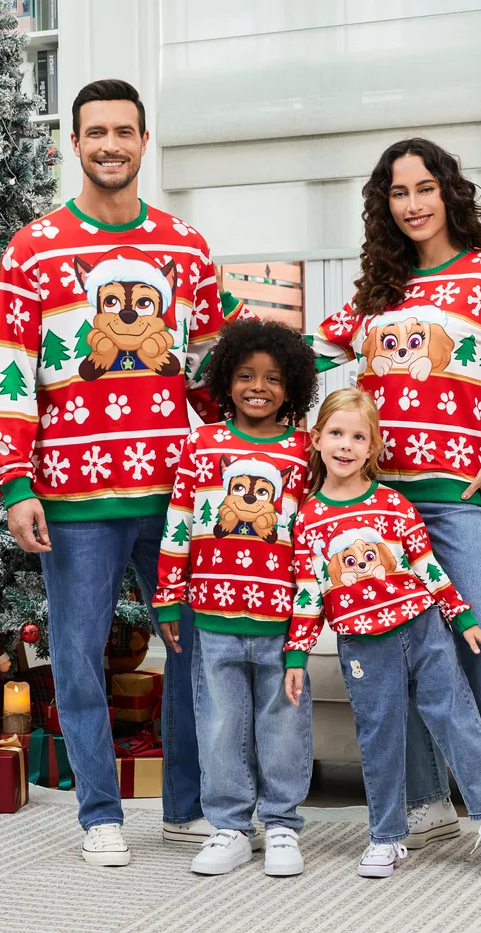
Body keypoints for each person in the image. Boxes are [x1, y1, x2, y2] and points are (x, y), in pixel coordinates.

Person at [0, 79, 249, 866]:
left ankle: (186, 807)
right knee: (76, 652)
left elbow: (218, 366)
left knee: (198, 649)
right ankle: (99, 811)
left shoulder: (185, 245)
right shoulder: (32, 248)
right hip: (71, 494)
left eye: (124, 131)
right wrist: (14, 480)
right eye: (95, 131)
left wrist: (259, 429)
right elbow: (10, 369)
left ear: (144, 141)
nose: (110, 144)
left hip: (176, 490)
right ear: (75, 143)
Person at [306, 139, 481, 857]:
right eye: (398, 192)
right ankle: (426, 804)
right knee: (395, 650)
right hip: (380, 505)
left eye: (425, 188)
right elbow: (306, 356)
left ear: (449, 192)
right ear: (383, 204)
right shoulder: (376, 291)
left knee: (479, 647)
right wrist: (228, 342)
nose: (413, 204)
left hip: (454, 500)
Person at [284, 388, 481, 880]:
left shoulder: (394, 503)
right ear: (316, 440)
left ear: (374, 448)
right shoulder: (307, 519)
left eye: (359, 436)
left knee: (456, 718)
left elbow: (429, 568)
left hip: (423, 630)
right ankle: (385, 837)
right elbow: (309, 593)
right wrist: (297, 655)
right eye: (336, 433)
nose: (346, 445)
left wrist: (465, 621)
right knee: (379, 735)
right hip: (362, 645)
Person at [153, 319, 319, 877]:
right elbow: (179, 522)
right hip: (214, 615)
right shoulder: (201, 445)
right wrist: (168, 595)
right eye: (246, 375)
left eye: (273, 378)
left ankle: (281, 825)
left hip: (281, 620)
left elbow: (313, 537)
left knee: (283, 723)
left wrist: (307, 613)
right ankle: (228, 826)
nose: (258, 387)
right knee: (221, 721)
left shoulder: (305, 454)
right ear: (226, 380)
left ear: (292, 387)